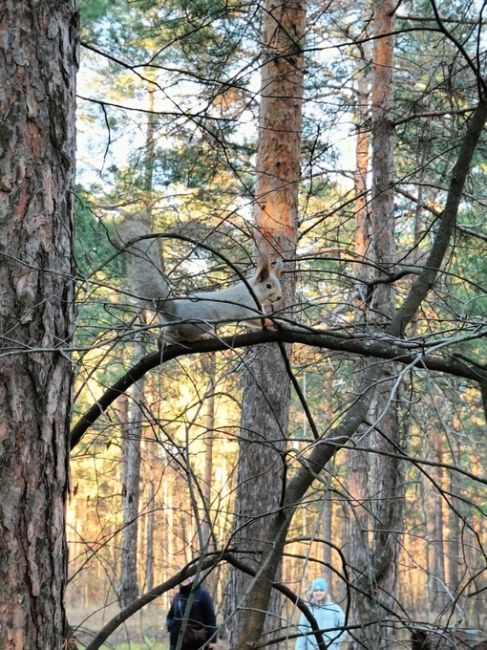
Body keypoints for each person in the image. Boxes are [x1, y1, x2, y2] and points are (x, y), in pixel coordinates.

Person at [167, 575, 217, 649]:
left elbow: (210, 617)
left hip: (196, 641)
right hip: (176, 642)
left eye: (187, 577)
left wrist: (212, 640)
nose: (184, 579)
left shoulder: (203, 594)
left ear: (192, 578)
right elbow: (170, 616)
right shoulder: (177, 597)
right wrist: (171, 626)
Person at [295, 578, 346, 650]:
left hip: (330, 647)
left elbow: (344, 626)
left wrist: (335, 641)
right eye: (315, 590)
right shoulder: (307, 610)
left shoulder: (335, 608)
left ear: (325, 592)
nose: (318, 593)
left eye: (321, 590)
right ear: (312, 593)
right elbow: (302, 631)